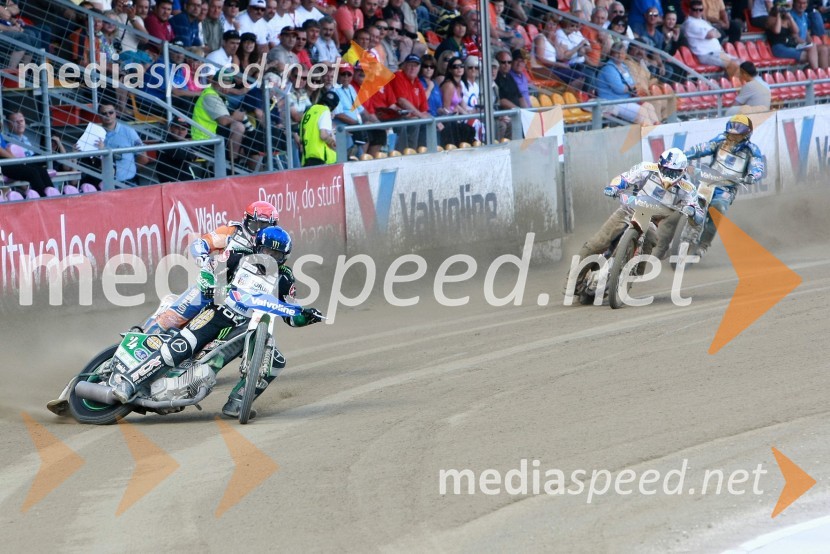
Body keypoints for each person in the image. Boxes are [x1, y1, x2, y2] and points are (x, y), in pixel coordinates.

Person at [112, 225, 324, 420]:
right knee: (181, 345)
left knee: (275, 362)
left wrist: (306, 317)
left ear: (284, 257)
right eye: (266, 251)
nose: (269, 257)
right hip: (219, 312)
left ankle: (238, 402)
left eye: (275, 254)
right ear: (257, 247)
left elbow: (291, 316)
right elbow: (210, 271)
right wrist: (213, 287)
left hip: (249, 327)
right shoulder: (238, 256)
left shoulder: (285, 277)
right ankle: (129, 383)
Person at [567, 148, 703, 293]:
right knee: (598, 243)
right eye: (665, 170)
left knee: (651, 238)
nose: (668, 175)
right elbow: (624, 178)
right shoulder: (645, 168)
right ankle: (574, 282)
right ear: (659, 165)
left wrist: (693, 211)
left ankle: (633, 272)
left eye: (673, 172)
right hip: (628, 210)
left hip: (652, 220)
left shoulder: (688, 188)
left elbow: (698, 213)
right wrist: (615, 187)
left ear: (682, 171)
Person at [143, 200, 279, 333]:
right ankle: (146, 334)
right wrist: (202, 257)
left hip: (242, 298)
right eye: (256, 224)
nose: (259, 229)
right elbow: (200, 243)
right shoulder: (232, 232)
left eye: (265, 225)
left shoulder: (273, 246)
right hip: (212, 286)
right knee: (171, 320)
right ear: (246, 220)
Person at [654, 115, 765, 258]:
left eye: (737, 136)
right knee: (677, 209)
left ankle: (703, 244)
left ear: (746, 135)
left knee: (718, 209)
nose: (732, 138)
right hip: (707, 181)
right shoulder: (720, 141)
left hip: (727, 188)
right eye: (730, 134)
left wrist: (752, 176)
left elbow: (757, 167)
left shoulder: (752, 150)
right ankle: (660, 248)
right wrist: (683, 156)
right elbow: (702, 148)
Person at [596, 41, 661, 125]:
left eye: (622, 53)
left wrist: (631, 87)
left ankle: (657, 129)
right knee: (642, 112)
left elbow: (632, 83)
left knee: (649, 106)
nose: (620, 55)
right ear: (611, 54)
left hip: (626, 100)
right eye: (617, 53)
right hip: (613, 102)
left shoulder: (624, 66)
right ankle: (649, 131)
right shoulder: (608, 68)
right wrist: (630, 87)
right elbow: (619, 89)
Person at [97, 103, 148, 187]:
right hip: (103, 184)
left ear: (116, 113)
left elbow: (143, 157)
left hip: (128, 182)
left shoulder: (128, 130)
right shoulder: (94, 132)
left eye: (111, 112)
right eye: (104, 113)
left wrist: (131, 170)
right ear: (99, 115)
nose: (108, 115)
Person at [683, 0, 738, 71]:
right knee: (733, 65)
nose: (698, 12)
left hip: (717, 53)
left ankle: (733, 78)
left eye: (700, 10)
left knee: (741, 63)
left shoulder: (702, 21)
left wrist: (712, 33)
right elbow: (711, 34)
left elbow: (719, 34)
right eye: (695, 10)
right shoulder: (690, 23)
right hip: (706, 55)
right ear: (690, 10)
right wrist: (712, 33)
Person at [300, 89, 339, 166]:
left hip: (306, 158)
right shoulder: (325, 111)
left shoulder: (308, 111)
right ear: (333, 107)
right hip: (321, 158)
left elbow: (301, 140)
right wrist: (334, 144)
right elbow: (323, 135)